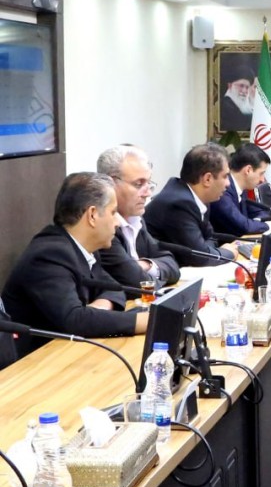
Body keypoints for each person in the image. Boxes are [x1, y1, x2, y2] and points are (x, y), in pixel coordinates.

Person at [1, 173, 148, 357]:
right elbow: (74, 320)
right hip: (34, 363)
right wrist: (143, 321)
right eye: (113, 212)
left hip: (67, 352)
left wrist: (95, 310)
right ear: (92, 215)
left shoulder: (85, 247)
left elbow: (114, 289)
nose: (118, 222)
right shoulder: (49, 255)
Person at [96, 145, 180, 294]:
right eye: (138, 184)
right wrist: (154, 276)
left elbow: (172, 265)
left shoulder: (136, 219)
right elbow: (137, 284)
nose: (147, 193)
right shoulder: (102, 226)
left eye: (148, 183)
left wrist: (146, 265)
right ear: (111, 184)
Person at [144, 143, 240, 267]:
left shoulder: (198, 197)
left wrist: (207, 249)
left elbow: (210, 238)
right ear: (207, 179)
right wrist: (228, 252)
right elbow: (201, 258)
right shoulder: (178, 203)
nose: (228, 183)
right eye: (225, 176)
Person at [209, 142, 271, 236]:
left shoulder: (242, 187)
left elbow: (259, 212)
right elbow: (244, 227)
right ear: (248, 170)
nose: (263, 180)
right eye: (261, 173)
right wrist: (269, 225)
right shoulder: (222, 192)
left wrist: (258, 221)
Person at [220, 60, 255, 131]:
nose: (244, 91)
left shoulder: (244, 108)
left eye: (247, 87)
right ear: (230, 86)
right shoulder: (225, 106)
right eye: (241, 86)